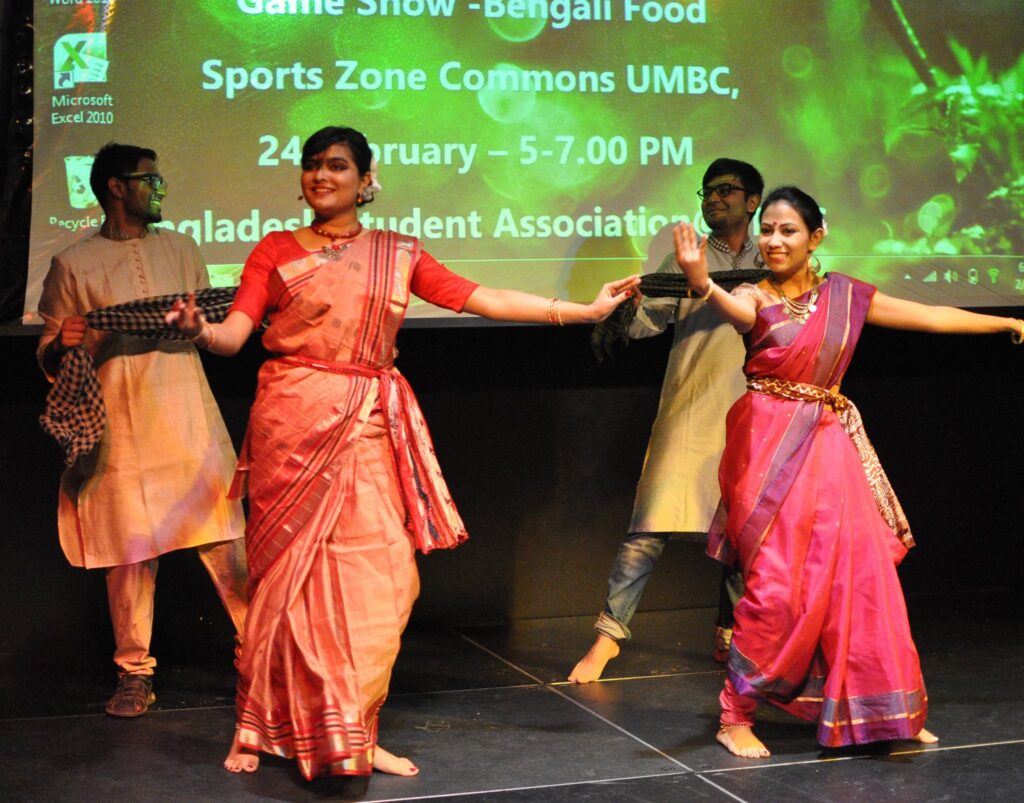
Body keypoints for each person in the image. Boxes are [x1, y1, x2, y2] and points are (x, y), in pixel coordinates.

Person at [165, 126, 639, 783]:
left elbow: (483, 298)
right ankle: (270, 723)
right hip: (291, 424)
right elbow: (234, 334)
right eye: (311, 165)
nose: (320, 176)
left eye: (336, 166)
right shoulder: (273, 250)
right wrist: (198, 330)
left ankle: (353, 730)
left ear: (366, 179)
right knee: (287, 584)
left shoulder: (398, 252)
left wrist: (583, 312)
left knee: (388, 580)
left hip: (366, 426)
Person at [672, 185, 1023, 758]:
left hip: (831, 450)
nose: (774, 240)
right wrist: (701, 280)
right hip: (769, 450)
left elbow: (929, 317)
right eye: (767, 229)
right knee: (775, 587)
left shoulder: (846, 296)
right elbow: (735, 312)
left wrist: (1006, 325)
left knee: (861, 582)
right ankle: (735, 714)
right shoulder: (752, 295)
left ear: (816, 237)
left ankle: (885, 714)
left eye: (788, 231)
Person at [36, 143, 248, 717]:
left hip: (186, 414)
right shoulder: (74, 265)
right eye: (150, 181)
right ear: (115, 187)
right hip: (121, 427)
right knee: (129, 554)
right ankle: (135, 673)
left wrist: (197, 321)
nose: (160, 189)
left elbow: (216, 320)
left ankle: (260, 654)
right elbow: (52, 349)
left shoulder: (181, 248)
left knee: (226, 541)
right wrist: (66, 341)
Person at [569, 159, 763, 684]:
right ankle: (607, 638)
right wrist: (625, 309)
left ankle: (731, 633)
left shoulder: (775, 255)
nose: (713, 198)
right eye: (707, 191)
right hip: (693, 402)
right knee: (650, 522)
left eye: (727, 190)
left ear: (753, 200)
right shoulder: (688, 257)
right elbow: (645, 325)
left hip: (760, 405)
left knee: (747, 530)